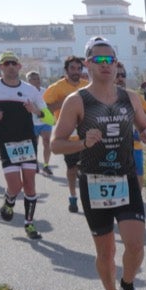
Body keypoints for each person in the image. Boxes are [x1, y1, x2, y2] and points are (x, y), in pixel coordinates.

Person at [51, 40, 146, 290]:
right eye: (99, 60)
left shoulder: (130, 98)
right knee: (106, 251)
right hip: (94, 181)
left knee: (135, 243)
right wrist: (82, 142)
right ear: (87, 64)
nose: (106, 65)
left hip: (126, 178)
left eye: (111, 60)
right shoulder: (77, 101)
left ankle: (128, 284)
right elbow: (56, 144)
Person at [0, 51, 47, 239]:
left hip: (27, 141)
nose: (10, 66)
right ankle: (9, 201)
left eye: (13, 63)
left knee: (31, 185)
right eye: (6, 63)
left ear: (19, 67)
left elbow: (50, 117)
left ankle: (29, 224)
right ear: (0, 67)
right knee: (15, 186)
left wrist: (36, 111)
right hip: (6, 142)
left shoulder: (30, 90)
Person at [42, 54, 89, 213]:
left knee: (88, 169)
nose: (76, 71)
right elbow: (45, 109)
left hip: (86, 133)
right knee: (72, 168)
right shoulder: (56, 88)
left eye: (78, 68)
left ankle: (88, 198)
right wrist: (61, 103)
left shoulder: (87, 85)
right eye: (72, 68)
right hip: (67, 135)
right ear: (66, 70)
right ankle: (72, 195)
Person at [116, 61, 146, 188]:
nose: (120, 78)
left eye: (123, 75)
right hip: (109, 152)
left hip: (134, 147)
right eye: (117, 75)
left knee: (138, 176)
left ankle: (137, 203)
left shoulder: (134, 97)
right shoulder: (94, 99)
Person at [26, 70, 53, 174]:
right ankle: (35, 163)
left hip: (45, 122)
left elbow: (50, 105)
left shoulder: (45, 91)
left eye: (38, 78)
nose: (37, 80)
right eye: (34, 79)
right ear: (28, 81)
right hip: (32, 123)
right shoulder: (25, 92)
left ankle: (46, 165)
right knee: (34, 144)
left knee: (47, 142)